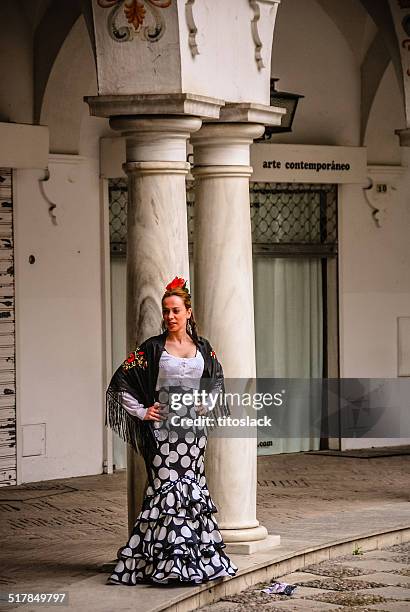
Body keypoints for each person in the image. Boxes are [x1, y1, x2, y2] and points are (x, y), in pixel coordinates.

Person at [106, 276, 238, 585]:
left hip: (192, 434)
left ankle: (192, 563)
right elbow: (120, 383)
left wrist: (207, 402)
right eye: (166, 311)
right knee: (164, 493)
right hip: (163, 435)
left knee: (192, 494)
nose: (170, 317)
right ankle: (161, 565)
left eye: (176, 310)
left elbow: (217, 380)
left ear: (188, 312)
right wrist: (142, 411)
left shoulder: (203, 347)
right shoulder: (152, 348)